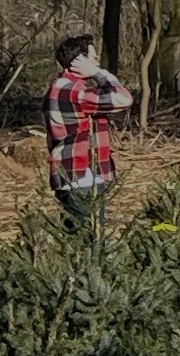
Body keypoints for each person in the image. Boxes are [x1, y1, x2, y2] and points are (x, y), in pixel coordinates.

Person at [45, 34, 133, 233]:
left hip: (71, 175)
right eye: (94, 58)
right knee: (89, 242)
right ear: (80, 61)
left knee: (75, 241)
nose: (97, 61)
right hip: (81, 177)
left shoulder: (61, 87)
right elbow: (123, 98)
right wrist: (98, 73)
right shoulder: (75, 91)